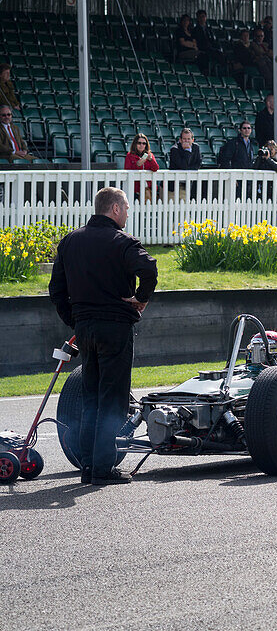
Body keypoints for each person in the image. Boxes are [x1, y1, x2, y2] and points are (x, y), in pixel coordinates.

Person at [48, 187, 158, 485]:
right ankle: (103, 468)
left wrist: (75, 320)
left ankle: (87, 466)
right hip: (115, 326)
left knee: (90, 396)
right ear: (114, 209)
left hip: (84, 327)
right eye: (125, 208)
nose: (127, 213)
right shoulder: (122, 242)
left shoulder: (70, 242)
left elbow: (56, 290)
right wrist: (141, 299)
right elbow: (149, 268)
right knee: (113, 399)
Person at [124, 133, 159, 200]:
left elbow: (155, 168)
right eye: (139, 143)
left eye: (144, 143)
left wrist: (151, 160)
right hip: (135, 189)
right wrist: (138, 164)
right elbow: (127, 170)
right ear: (135, 144)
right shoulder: (130, 155)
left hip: (148, 188)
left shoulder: (150, 155)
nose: (141, 145)